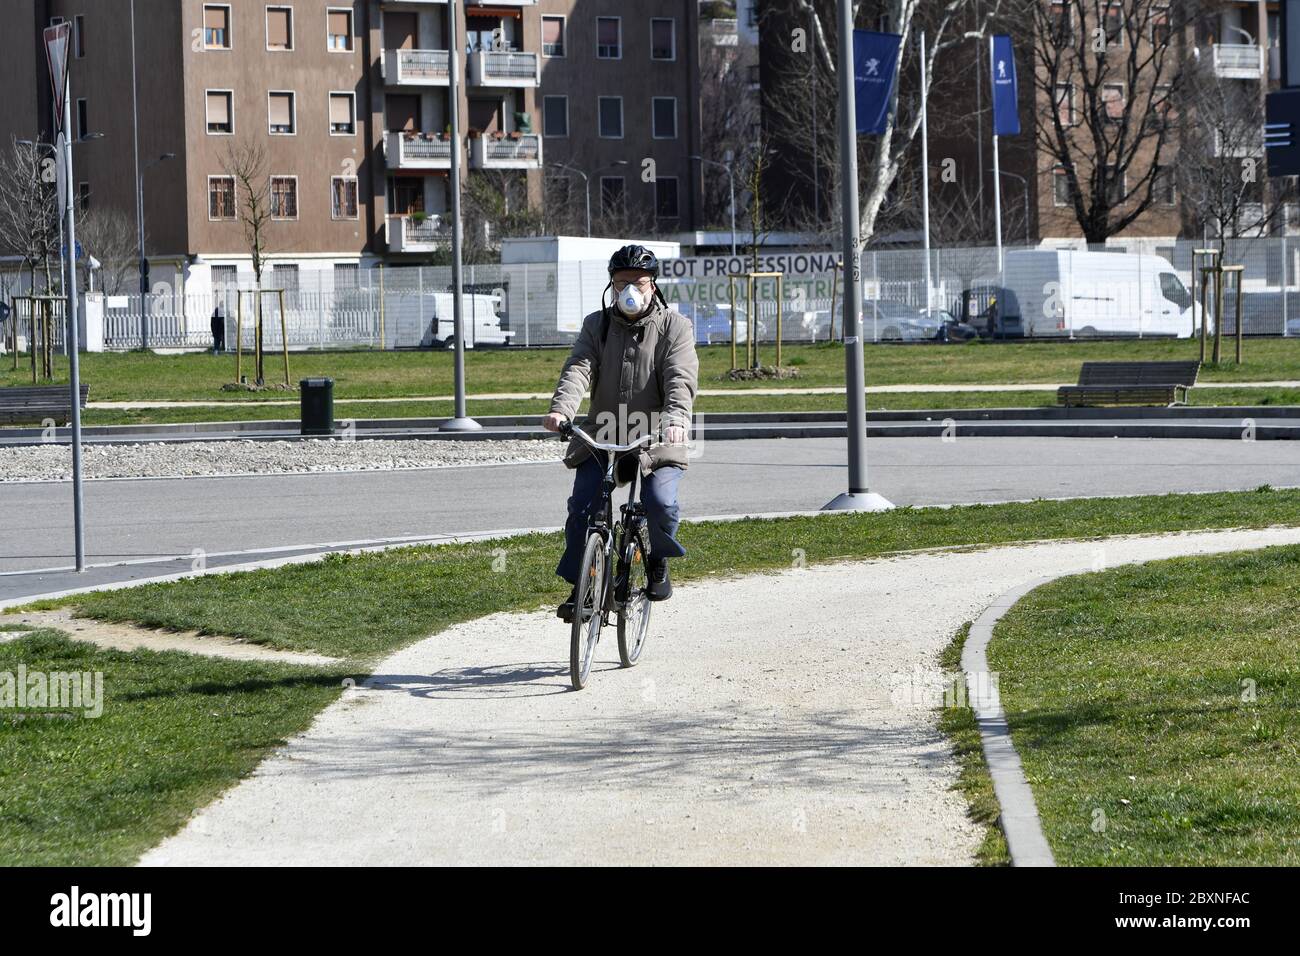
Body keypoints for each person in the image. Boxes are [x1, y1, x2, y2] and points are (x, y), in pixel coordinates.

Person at [543, 244, 699, 622]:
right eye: (621, 282)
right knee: (583, 506)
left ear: (654, 285)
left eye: (639, 282)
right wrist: (561, 410)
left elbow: (680, 377)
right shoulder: (596, 325)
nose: (630, 290)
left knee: (660, 502)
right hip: (602, 434)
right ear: (612, 285)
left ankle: (658, 558)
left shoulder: (675, 327)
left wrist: (677, 419)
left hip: (657, 434)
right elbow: (578, 367)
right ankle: (583, 585)